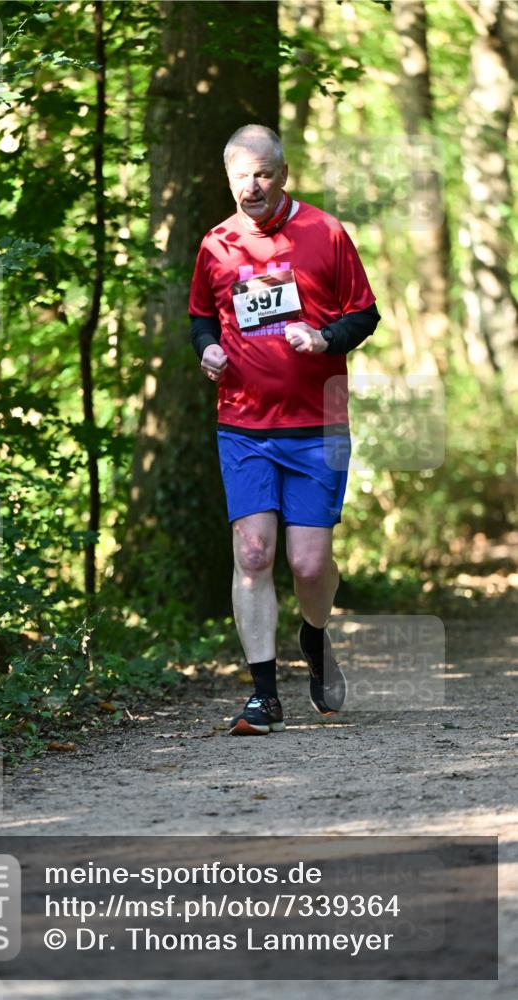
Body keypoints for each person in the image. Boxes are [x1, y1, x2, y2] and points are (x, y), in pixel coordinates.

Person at [188, 124, 380, 735]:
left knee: (309, 564)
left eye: (263, 174)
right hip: (243, 425)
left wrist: (325, 338)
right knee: (253, 553)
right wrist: (207, 349)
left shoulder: (325, 232)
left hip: (318, 424)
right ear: (229, 180)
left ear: (284, 174)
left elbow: (365, 313)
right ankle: (264, 695)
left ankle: (315, 637)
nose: (253, 186)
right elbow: (201, 318)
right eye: (241, 176)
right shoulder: (216, 245)